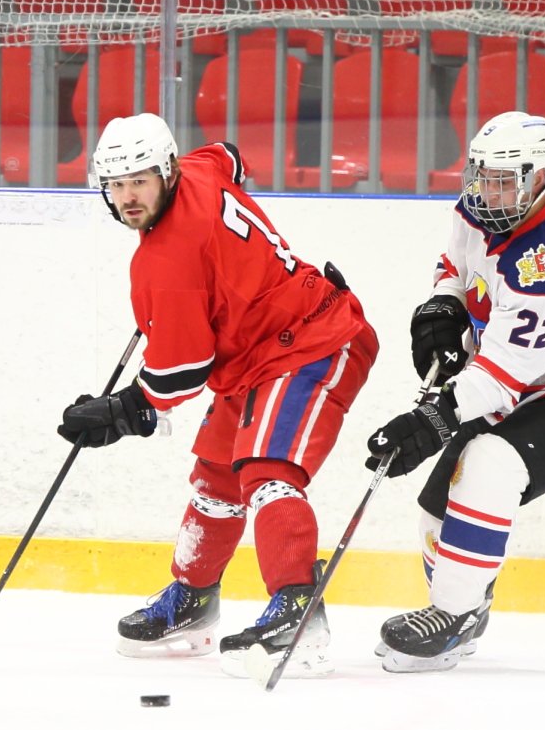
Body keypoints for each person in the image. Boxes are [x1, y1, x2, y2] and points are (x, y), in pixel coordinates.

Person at [57, 113, 379, 677]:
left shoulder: (166, 262)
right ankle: (194, 599)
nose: (128, 197)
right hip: (255, 356)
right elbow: (229, 154)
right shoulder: (201, 169)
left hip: (314, 340)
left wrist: (123, 411)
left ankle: (298, 611)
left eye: (140, 182)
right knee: (216, 477)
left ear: (166, 172)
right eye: (117, 183)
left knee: (266, 471)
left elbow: (180, 374)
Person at [365, 112, 545, 673]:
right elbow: (455, 264)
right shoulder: (479, 207)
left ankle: (454, 615)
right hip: (525, 382)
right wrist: (445, 306)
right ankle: (465, 608)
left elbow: (507, 371)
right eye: (483, 175)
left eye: (504, 180)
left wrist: (432, 421)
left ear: (541, 177)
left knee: (489, 464)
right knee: (437, 517)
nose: (488, 191)